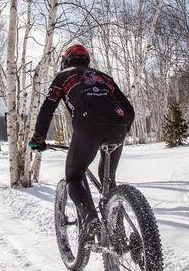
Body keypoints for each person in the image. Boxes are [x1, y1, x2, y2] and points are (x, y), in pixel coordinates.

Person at [29, 44, 135, 243]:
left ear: (66, 61)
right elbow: (129, 108)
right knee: (109, 181)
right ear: (86, 61)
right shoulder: (104, 77)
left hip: (87, 126)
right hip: (118, 126)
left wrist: (38, 139)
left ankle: (89, 219)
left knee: (74, 177)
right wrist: (124, 128)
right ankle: (118, 235)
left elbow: (46, 110)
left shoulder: (63, 76)